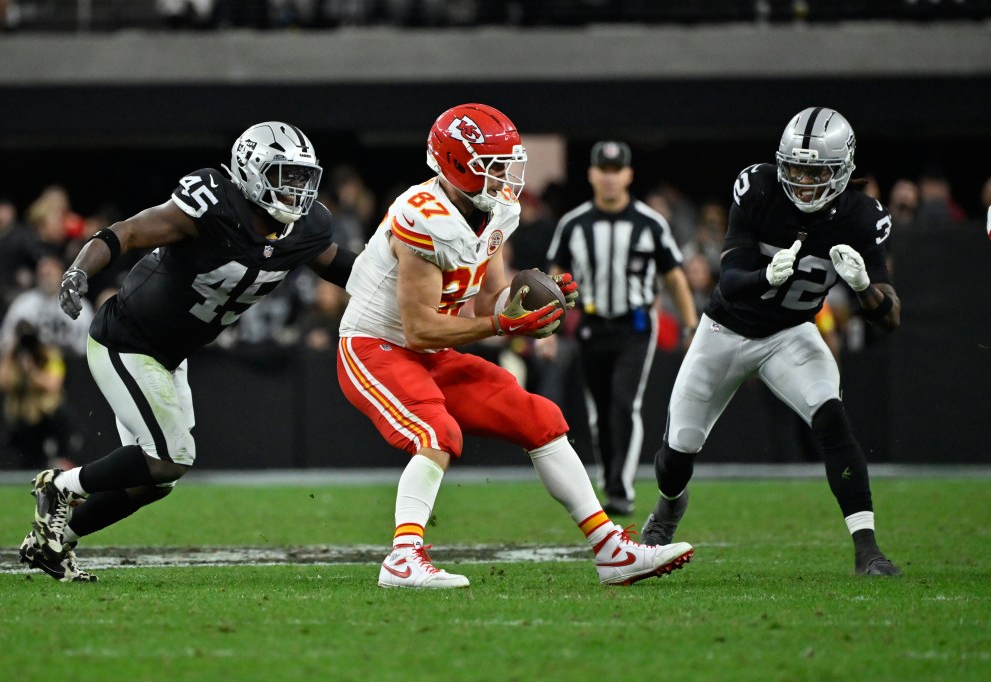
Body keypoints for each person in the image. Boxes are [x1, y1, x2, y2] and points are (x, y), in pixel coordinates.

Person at [336, 103, 693, 590]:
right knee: (437, 431)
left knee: (540, 417)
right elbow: (421, 328)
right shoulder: (421, 217)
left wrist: (535, 302)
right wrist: (502, 325)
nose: (505, 175)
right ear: (458, 164)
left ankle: (611, 549)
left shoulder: (495, 207)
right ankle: (402, 557)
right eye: (493, 165)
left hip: (429, 351)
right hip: (374, 346)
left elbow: (492, 297)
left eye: (507, 163)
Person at [19, 121, 358, 583]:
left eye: (303, 177)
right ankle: (59, 487)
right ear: (251, 172)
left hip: (170, 354)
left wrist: (399, 291)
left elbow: (342, 267)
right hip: (127, 340)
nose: (296, 189)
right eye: (285, 175)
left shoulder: (305, 227)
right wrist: (80, 269)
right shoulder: (211, 204)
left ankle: (53, 543)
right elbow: (129, 232)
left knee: (158, 479)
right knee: (169, 455)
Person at [638, 107, 903, 577]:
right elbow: (730, 277)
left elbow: (890, 318)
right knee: (676, 454)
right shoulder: (759, 187)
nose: (802, 180)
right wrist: (766, 273)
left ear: (842, 170)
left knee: (833, 421)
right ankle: (667, 511)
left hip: (790, 333)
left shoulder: (863, 218)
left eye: (815, 170)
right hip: (725, 328)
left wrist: (864, 287)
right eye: (795, 167)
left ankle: (868, 550)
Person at [542, 140, 699, 516]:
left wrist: (690, 323)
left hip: (635, 326)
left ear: (628, 175)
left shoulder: (649, 223)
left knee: (624, 404)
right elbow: (553, 278)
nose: (610, 178)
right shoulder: (573, 224)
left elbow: (674, 275)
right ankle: (611, 478)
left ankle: (620, 488)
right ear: (592, 174)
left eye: (617, 171)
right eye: (603, 170)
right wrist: (548, 329)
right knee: (601, 409)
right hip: (592, 325)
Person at [0, 320, 82, 470]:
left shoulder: (48, 353)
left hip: (46, 414)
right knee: (29, 461)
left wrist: (31, 370)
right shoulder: (12, 357)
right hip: (22, 417)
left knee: (62, 420)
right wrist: (9, 352)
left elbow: (53, 384)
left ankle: (59, 462)